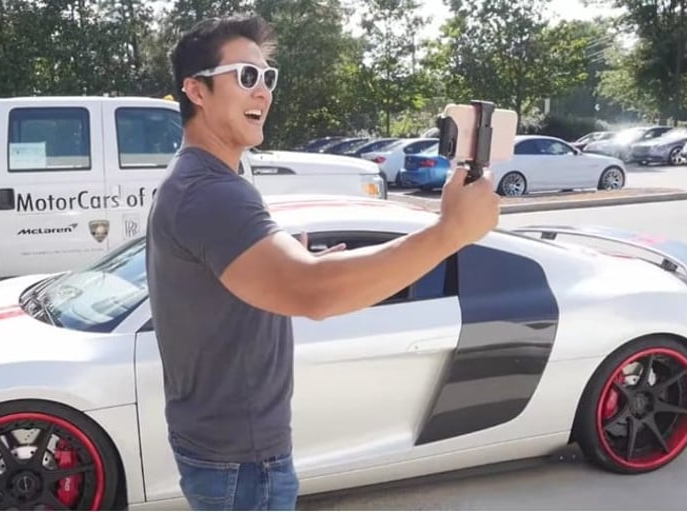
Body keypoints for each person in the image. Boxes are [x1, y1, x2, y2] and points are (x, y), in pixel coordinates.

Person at [145, 14, 500, 511]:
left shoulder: (197, 180)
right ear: (196, 91)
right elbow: (315, 294)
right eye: (246, 76)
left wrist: (287, 269)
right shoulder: (210, 193)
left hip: (222, 453)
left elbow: (259, 286)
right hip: (243, 467)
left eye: (268, 77)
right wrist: (450, 233)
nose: (263, 91)